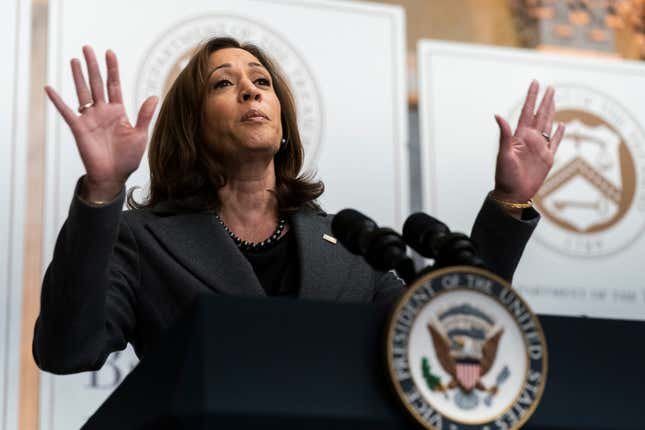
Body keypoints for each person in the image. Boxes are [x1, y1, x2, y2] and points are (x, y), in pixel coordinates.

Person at [33, 37, 564, 374]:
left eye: (261, 82)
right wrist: (102, 190)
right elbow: (68, 351)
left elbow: (443, 334)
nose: (250, 91)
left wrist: (509, 202)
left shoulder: (353, 245)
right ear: (190, 127)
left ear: (283, 124)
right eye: (225, 83)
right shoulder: (143, 238)